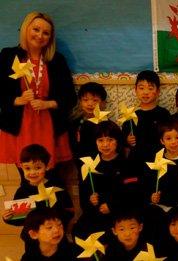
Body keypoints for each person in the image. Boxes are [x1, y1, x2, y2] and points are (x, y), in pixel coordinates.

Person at [0, 11, 76, 168]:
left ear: (50, 38)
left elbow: (70, 97)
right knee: (28, 177)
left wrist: (47, 104)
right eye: (36, 29)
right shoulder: (8, 56)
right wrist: (17, 100)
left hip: (49, 127)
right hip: (19, 127)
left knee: (51, 178)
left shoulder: (57, 60)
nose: (40, 35)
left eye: (46, 33)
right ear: (26, 29)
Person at [73, 120, 130, 241]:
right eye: (100, 140)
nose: (105, 145)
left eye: (110, 140)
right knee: (78, 230)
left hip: (121, 214)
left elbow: (132, 194)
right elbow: (83, 196)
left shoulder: (127, 164)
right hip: (95, 213)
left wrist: (112, 206)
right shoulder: (89, 165)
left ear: (117, 141)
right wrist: (90, 201)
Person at [2, 144, 74, 227]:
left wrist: (53, 220)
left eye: (38, 168)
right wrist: (8, 218)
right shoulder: (22, 191)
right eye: (27, 168)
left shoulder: (57, 188)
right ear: (21, 167)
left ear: (47, 167)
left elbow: (70, 211)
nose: (32, 172)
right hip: (34, 233)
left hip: (54, 230)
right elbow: (19, 219)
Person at [122, 70, 171, 162]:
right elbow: (123, 142)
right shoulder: (129, 116)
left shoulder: (164, 114)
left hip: (159, 160)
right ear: (135, 90)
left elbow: (170, 136)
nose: (145, 92)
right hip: (137, 161)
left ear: (157, 91)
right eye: (141, 88)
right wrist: (127, 141)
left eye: (150, 88)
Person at [69, 82, 107, 159]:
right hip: (79, 159)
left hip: (100, 159)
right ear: (80, 102)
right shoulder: (75, 122)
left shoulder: (105, 123)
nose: (90, 104)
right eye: (85, 100)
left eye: (95, 100)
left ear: (103, 103)